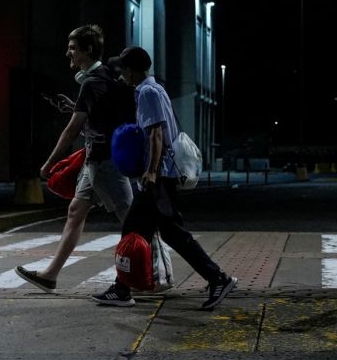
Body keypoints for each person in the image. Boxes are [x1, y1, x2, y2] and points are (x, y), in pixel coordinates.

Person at [92, 46, 237, 309]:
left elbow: (156, 134)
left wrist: (151, 171)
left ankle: (218, 278)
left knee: (170, 232)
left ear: (131, 70)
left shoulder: (147, 92)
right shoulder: (154, 89)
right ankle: (122, 288)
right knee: (136, 229)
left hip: (158, 177)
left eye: (123, 68)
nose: (120, 73)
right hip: (160, 175)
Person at [15, 24, 136, 292]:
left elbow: (71, 130)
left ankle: (155, 272)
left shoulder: (92, 83)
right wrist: (75, 108)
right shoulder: (102, 78)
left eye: (72, 49)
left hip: (104, 163)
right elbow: (102, 117)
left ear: (88, 50)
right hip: (95, 160)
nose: (67, 53)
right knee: (75, 211)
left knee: (132, 220)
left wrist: (48, 163)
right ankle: (50, 274)